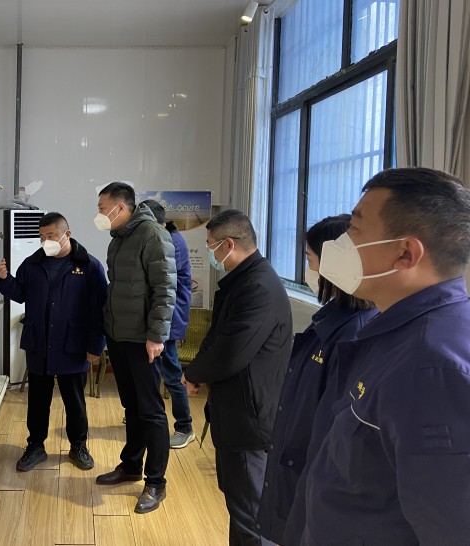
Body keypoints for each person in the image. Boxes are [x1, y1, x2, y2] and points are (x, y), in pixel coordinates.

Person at [295, 167, 470, 545]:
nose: (341, 244)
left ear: (405, 253)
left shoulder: (433, 368)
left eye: (355, 229)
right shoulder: (393, 333)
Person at [256, 215, 377, 544]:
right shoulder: (332, 321)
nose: (307, 267)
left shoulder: (354, 333)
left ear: (334, 262)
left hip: (312, 485)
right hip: (295, 473)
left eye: (309, 258)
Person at [182, 209, 292, 546]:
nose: (210, 252)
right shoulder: (243, 280)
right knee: (240, 505)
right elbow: (218, 337)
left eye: (210, 245)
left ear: (228, 244)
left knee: (252, 516)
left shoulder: (257, 286)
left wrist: (193, 374)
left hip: (249, 418)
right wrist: (197, 372)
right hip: (237, 411)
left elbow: (231, 351)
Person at [0, 212, 107, 472]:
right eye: (42, 236)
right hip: (39, 344)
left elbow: (99, 309)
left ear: (67, 234)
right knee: (37, 400)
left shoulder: (88, 265)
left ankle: (78, 445)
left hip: (73, 344)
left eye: (52, 235)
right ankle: (35, 446)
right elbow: (20, 294)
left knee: (74, 401)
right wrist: (3, 279)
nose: (46, 241)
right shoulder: (32, 264)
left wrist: (95, 346)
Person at [93, 182, 177, 514]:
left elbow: (165, 289)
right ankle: (130, 466)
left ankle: (156, 482)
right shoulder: (119, 238)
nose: (100, 214)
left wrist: (156, 336)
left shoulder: (153, 235)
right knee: (131, 407)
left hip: (144, 340)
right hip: (120, 336)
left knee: (151, 411)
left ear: (121, 207)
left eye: (102, 208)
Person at [139, 199, 195, 448]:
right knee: (152, 372)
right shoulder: (164, 237)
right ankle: (151, 418)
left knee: (172, 375)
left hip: (168, 319)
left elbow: (159, 282)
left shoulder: (171, 242)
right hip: (159, 318)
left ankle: (185, 427)